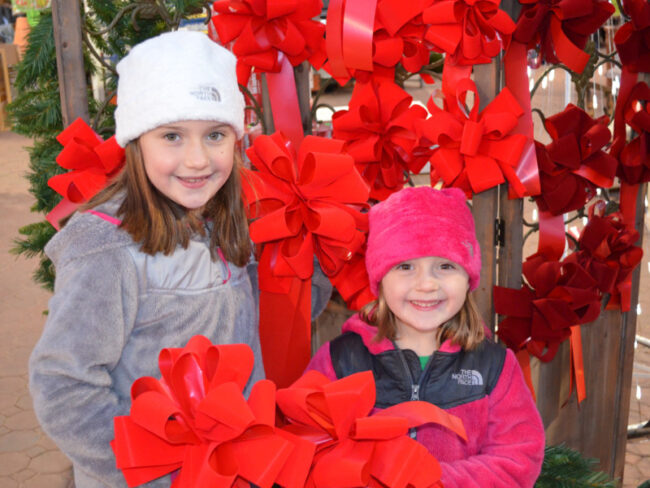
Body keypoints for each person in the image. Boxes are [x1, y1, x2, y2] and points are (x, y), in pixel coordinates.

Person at [29, 31, 330, 488]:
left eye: (214, 135)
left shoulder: (234, 223)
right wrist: (154, 470)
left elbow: (281, 315)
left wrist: (314, 252)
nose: (197, 159)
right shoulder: (106, 249)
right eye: (172, 135)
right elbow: (63, 385)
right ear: (136, 142)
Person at [306, 186, 545, 487]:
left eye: (445, 266)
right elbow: (309, 447)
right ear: (379, 278)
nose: (427, 284)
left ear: (468, 275)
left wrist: (431, 481)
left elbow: (517, 458)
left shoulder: (494, 366)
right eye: (405, 267)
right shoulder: (339, 361)